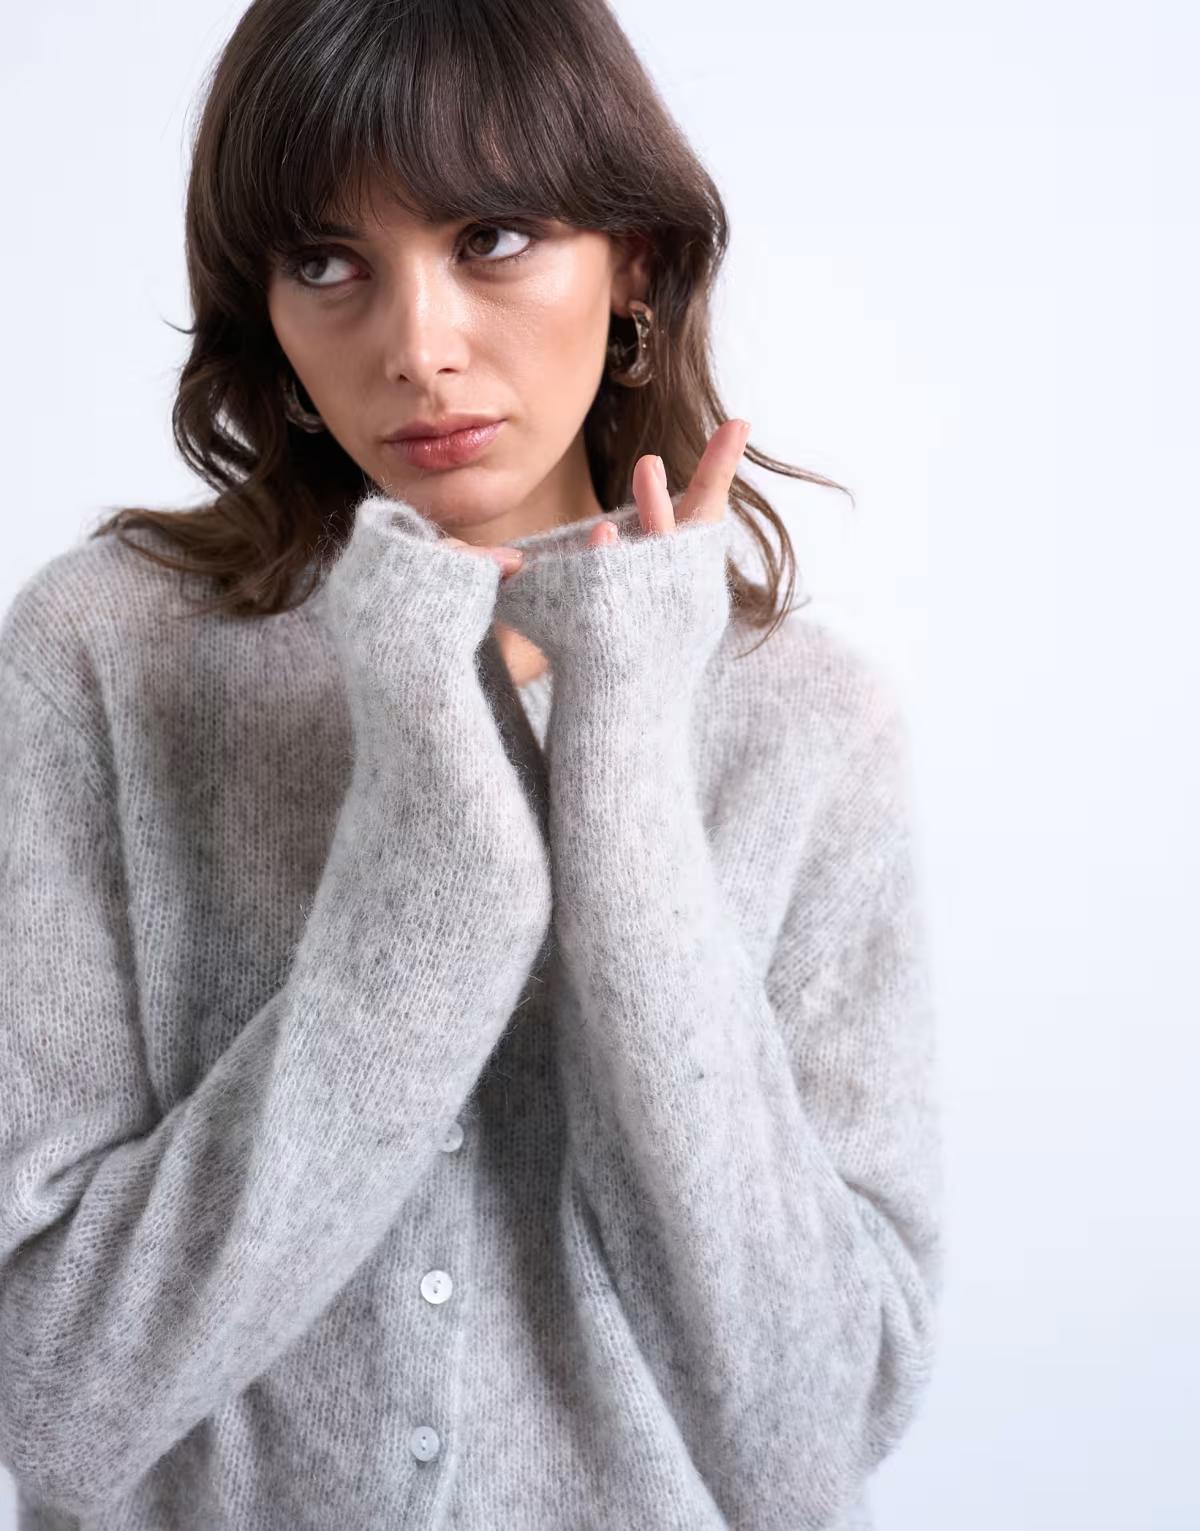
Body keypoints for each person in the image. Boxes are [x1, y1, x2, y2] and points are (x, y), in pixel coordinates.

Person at [0, 1, 944, 1527]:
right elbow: (52, 1399)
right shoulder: (101, 659)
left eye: (493, 238)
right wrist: (443, 881)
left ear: (634, 261)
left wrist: (624, 761)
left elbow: (806, 1438)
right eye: (329, 264)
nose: (418, 348)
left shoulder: (810, 728)